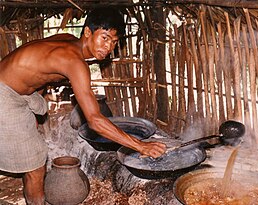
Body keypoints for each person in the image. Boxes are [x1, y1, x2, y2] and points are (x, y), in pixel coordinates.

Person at [0, 8, 166, 205]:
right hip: (5, 94)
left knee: (40, 109)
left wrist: (34, 109)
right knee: (35, 168)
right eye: (104, 38)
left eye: (114, 42)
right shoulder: (75, 62)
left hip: (19, 90)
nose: (108, 47)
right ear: (88, 32)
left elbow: (40, 66)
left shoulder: (68, 38)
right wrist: (140, 146)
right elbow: (95, 121)